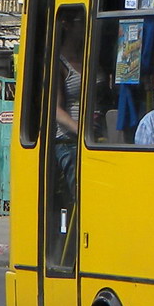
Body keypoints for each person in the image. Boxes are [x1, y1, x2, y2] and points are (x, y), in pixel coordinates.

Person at [54, 12, 85, 189]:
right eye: (82, 21)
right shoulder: (59, 63)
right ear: (67, 25)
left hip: (99, 136)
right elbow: (56, 111)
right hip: (69, 140)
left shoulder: (91, 56)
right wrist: (82, 130)